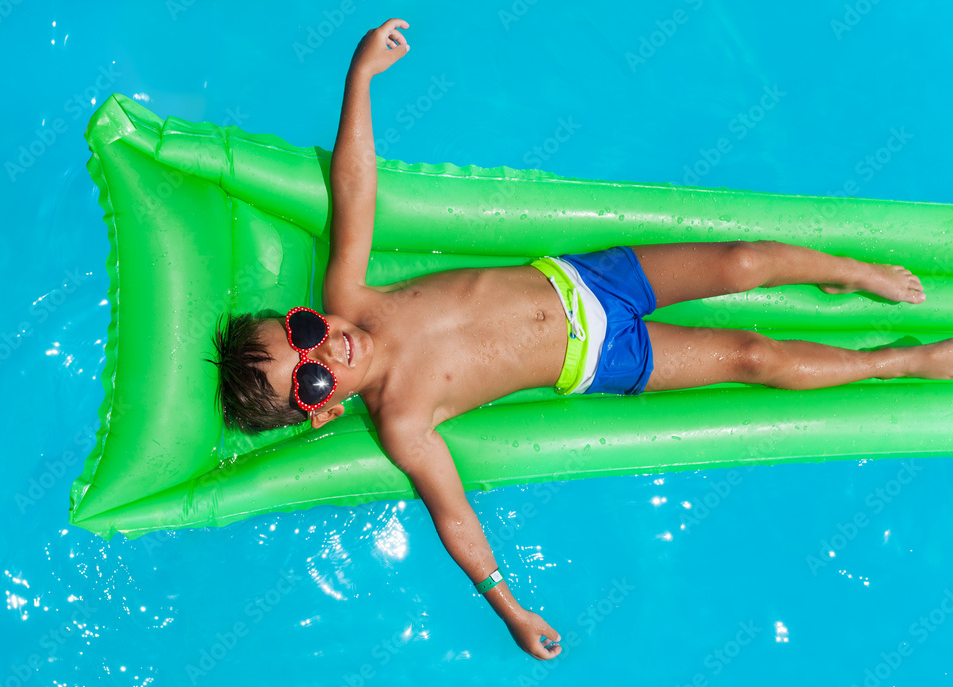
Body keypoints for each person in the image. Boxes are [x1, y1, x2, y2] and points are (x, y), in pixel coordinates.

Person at [213, 18, 950, 660]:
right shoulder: (403, 418)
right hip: (599, 358)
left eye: (302, 331)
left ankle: (850, 273)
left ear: (305, 313)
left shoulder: (352, 295)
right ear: (324, 409)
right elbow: (453, 514)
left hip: (587, 284)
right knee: (751, 357)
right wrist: (509, 605)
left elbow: (355, 188)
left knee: (744, 262)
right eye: (310, 377)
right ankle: (898, 361)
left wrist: (361, 77)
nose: (327, 347)